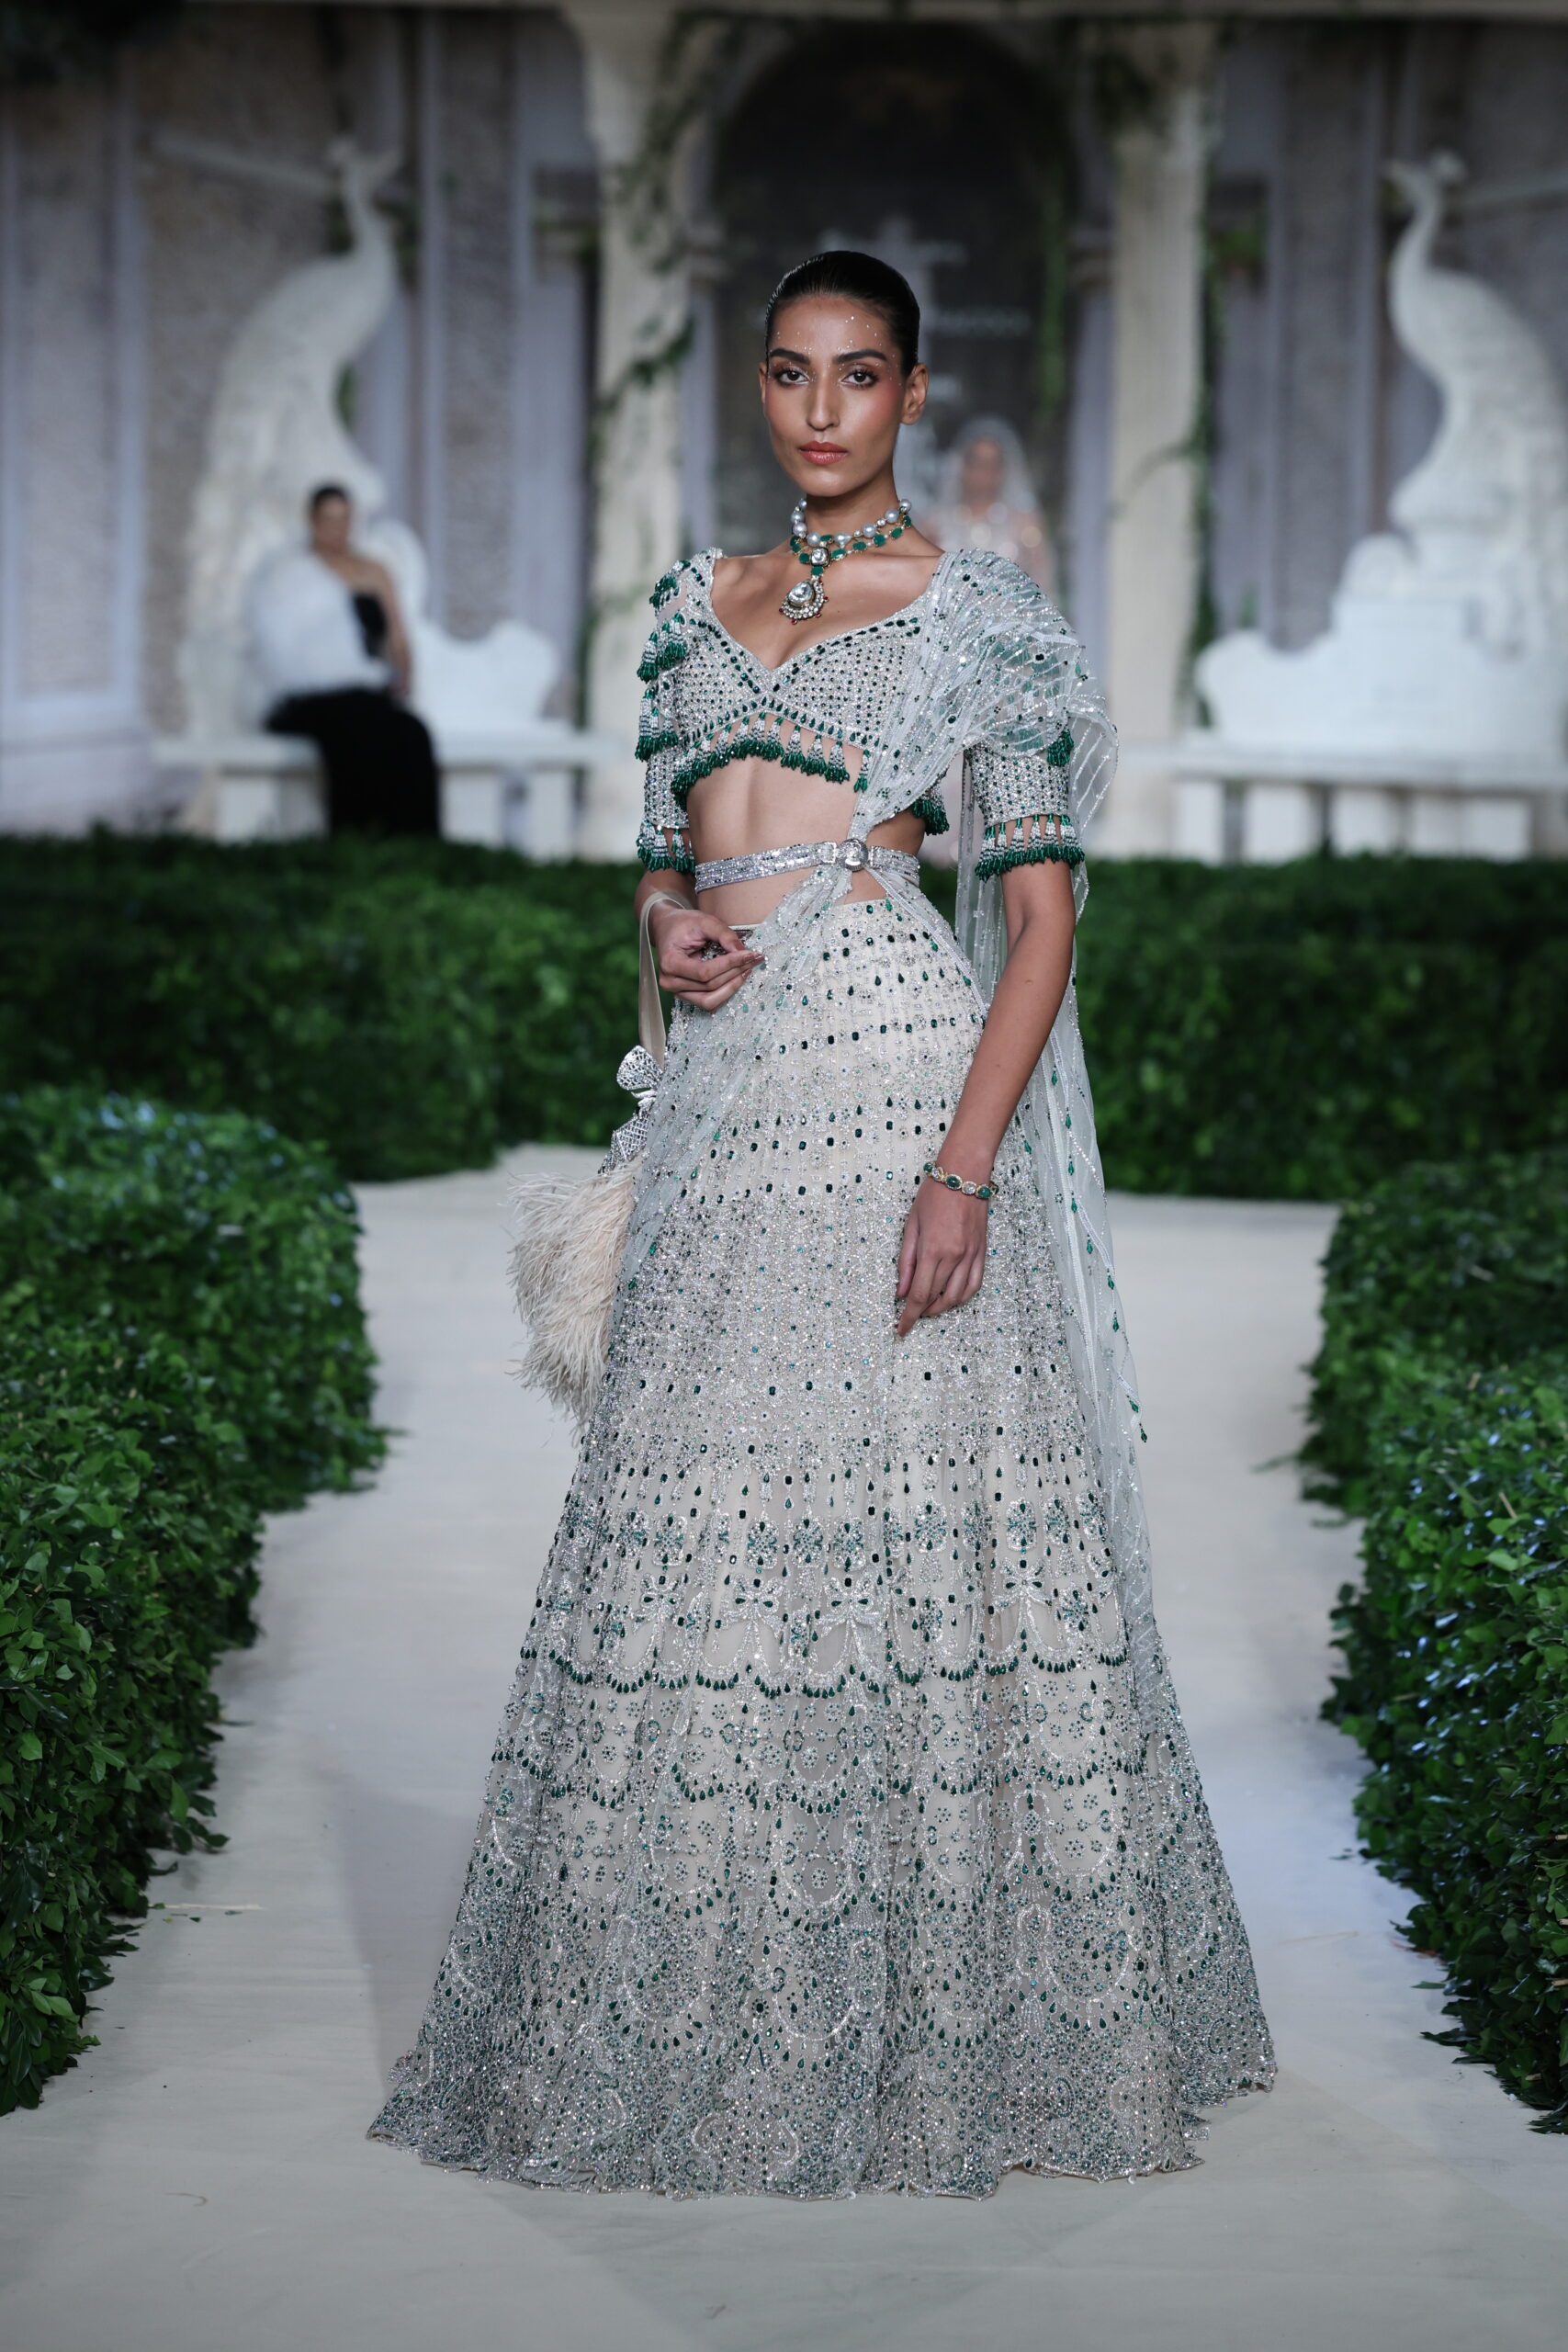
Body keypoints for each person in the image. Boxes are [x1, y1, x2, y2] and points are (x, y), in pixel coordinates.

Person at [369, 251, 1273, 2196]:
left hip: (889, 1069)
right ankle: (686, 1999)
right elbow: (662, 866)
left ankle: (946, 2026)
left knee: (915, 1519)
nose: (819, 409)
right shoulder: (688, 608)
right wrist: (667, 927)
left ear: (912, 393)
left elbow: (1038, 922)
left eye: (858, 376)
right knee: (680, 1501)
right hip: (722, 1087)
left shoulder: (982, 615)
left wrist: (964, 1169)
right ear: (760, 386)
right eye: (788, 373)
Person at [246, 483, 440, 835]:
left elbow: (397, 638)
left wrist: (403, 679)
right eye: (329, 519)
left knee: (412, 733)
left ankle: (414, 842)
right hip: (312, 696)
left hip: (365, 690)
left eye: (344, 519)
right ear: (313, 521)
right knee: (353, 734)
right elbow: (280, 647)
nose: (337, 528)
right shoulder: (291, 576)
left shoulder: (373, 571)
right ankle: (354, 838)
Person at [928, 413, 1057, 596]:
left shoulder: (1024, 523)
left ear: (1003, 470)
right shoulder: (936, 523)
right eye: (976, 463)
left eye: (992, 464)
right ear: (962, 465)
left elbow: (1044, 584)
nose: (983, 473)